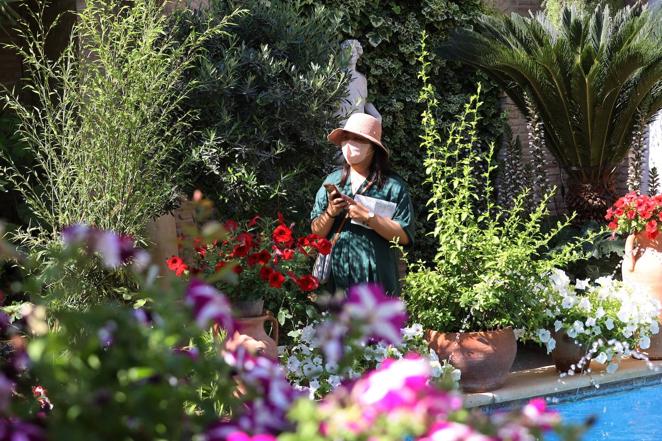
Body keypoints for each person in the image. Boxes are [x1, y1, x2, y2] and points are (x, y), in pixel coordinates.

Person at [310, 113, 414, 295]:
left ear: (373, 148)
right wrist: (330, 212)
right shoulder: (333, 181)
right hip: (337, 276)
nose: (350, 144)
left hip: (377, 276)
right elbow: (316, 232)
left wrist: (369, 217)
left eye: (357, 139)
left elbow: (404, 236)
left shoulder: (392, 187)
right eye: (346, 138)